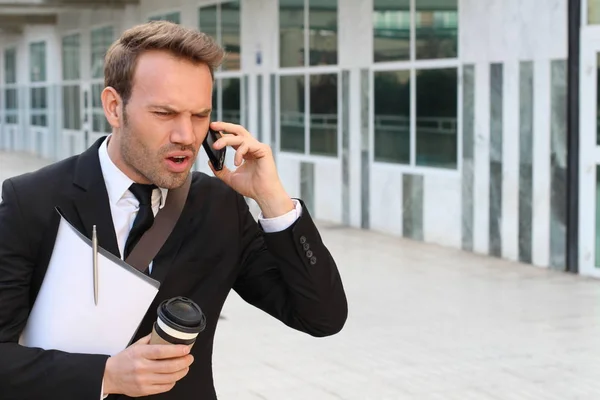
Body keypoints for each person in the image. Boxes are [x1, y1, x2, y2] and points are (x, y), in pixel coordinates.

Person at [0, 21, 347, 400]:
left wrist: (273, 199)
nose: (186, 135)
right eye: (165, 114)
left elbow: (321, 317)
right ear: (115, 108)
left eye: (199, 115)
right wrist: (104, 376)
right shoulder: (31, 200)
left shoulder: (220, 207)